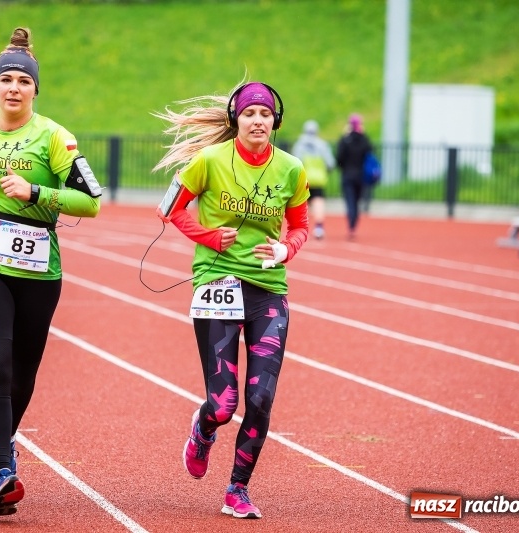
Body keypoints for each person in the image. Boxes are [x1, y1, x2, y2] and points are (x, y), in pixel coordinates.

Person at [0, 27, 102, 517]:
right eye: (5, 79)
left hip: (38, 269)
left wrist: (37, 194)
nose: (13, 88)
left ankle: (1, 444)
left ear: (34, 90)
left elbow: (91, 202)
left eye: (22, 81)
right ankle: (2, 471)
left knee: (22, 378)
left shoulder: (55, 137)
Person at [152, 81, 309, 519]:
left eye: (264, 115)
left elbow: (299, 226)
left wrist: (284, 250)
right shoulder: (208, 161)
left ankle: (237, 489)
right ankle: (203, 429)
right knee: (224, 405)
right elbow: (169, 208)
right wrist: (209, 237)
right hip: (217, 283)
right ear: (236, 120)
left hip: (268, 289)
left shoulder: (292, 169)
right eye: (249, 114)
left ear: (275, 121)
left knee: (261, 399)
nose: (257, 121)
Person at [291, 119, 335, 239]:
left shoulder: (299, 144)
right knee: (318, 201)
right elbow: (330, 163)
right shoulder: (322, 145)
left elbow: (295, 162)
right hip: (319, 179)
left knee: (301, 203)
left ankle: (299, 229)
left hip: (304, 179)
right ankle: (319, 227)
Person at [335, 113, 373, 240]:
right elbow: (370, 151)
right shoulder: (364, 139)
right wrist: (364, 134)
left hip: (347, 174)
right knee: (356, 200)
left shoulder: (346, 139)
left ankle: (351, 223)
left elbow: (339, 157)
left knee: (350, 200)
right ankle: (353, 222)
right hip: (361, 175)